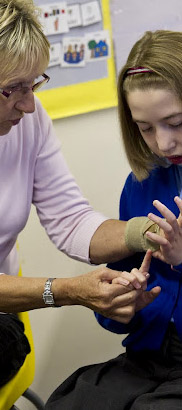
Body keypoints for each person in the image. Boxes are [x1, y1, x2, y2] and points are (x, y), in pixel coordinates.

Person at [0, 0, 170, 386]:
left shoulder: (28, 119)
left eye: (35, 83)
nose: (29, 104)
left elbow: (70, 219)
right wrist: (66, 291)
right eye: (13, 89)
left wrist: (145, 232)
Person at [46, 30, 182, 410]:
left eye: (177, 122)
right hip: (151, 353)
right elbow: (122, 299)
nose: (164, 144)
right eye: (145, 128)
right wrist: (123, 304)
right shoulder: (143, 182)